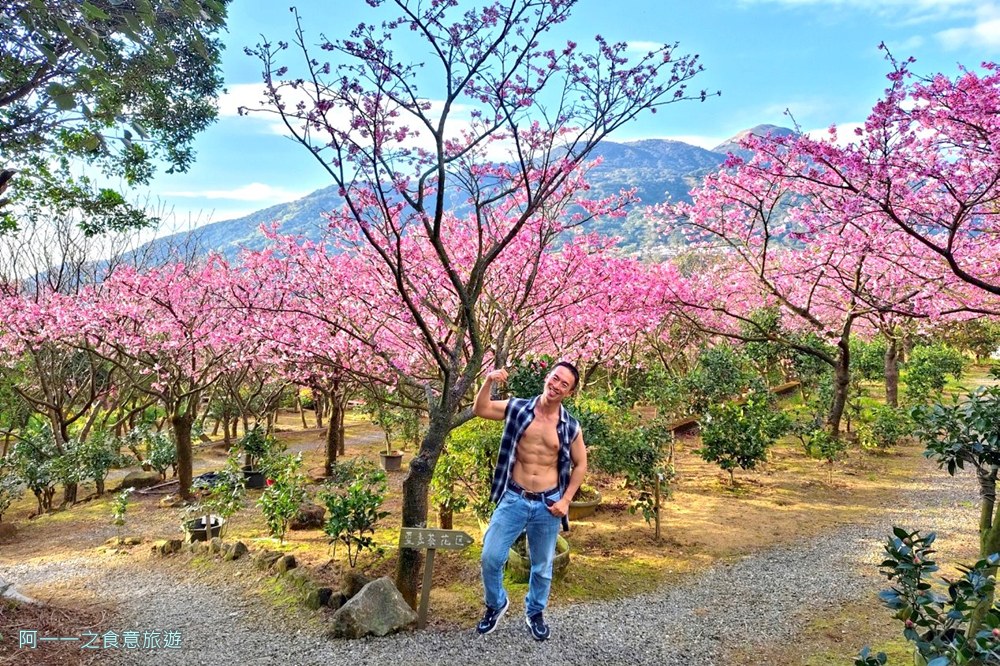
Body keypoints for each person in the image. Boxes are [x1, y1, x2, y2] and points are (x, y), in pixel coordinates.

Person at [473, 361, 587, 641]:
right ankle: (496, 603)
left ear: (570, 392)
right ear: (547, 377)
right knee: (491, 556)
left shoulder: (570, 426)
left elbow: (581, 464)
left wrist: (566, 500)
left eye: (564, 384)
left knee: (542, 566)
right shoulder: (517, 408)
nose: (556, 385)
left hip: (548, 504)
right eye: (555, 378)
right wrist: (489, 381)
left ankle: (535, 612)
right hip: (514, 496)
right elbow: (481, 409)